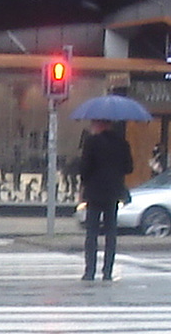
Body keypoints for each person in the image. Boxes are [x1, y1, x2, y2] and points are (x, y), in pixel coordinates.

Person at [79, 119, 133, 281]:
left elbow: (85, 169)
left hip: (94, 193)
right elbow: (129, 167)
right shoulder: (122, 143)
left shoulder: (91, 142)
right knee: (111, 233)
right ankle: (107, 271)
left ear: (98, 124)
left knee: (92, 233)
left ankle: (90, 272)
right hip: (113, 193)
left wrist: (84, 184)